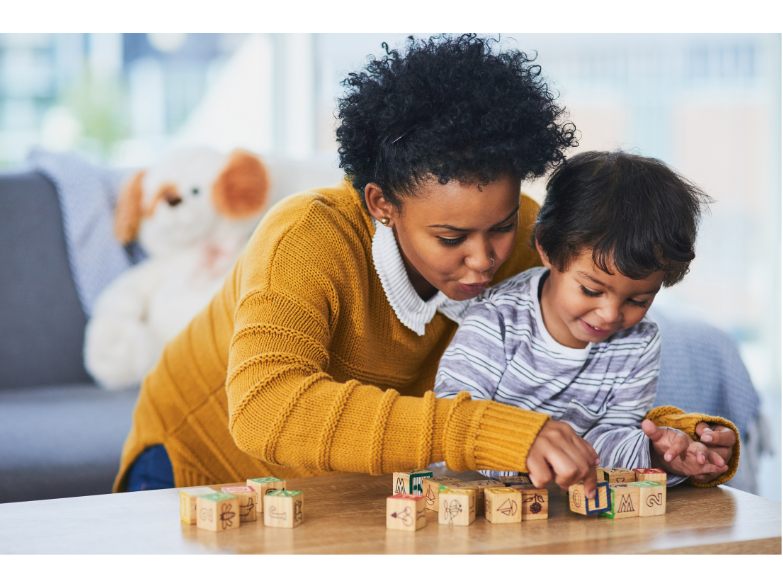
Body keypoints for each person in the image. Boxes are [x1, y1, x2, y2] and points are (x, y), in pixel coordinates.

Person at [115, 35, 738, 498]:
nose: (485, 258)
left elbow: (581, 374)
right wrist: (486, 430)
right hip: (200, 463)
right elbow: (268, 411)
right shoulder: (306, 238)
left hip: (346, 480)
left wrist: (673, 436)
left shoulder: (530, 239)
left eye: (500, 227)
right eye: (449, 236)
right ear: (382, 204)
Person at [435, 150, 735, 487]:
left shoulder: (639, 341)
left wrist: (655, 456)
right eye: (591, 290)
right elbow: (454, 422)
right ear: (548, 248)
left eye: (638, 299)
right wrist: (522, 447)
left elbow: (607, 442)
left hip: (569, 512)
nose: (610, 315)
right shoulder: (496, 320)